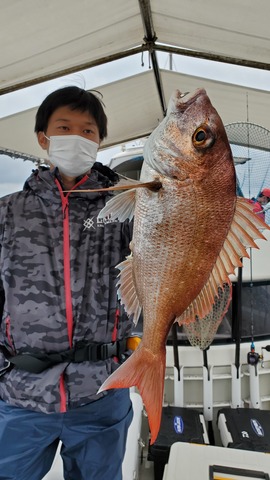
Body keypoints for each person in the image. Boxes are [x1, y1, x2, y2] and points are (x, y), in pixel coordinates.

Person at [0, 86, 134, 480]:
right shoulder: (7, 213)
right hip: (20, 394)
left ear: (99, 141)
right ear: (44, 138)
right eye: (64, 127)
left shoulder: (127, 209)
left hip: (102, 393)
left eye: (88, 130)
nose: (77, 136)